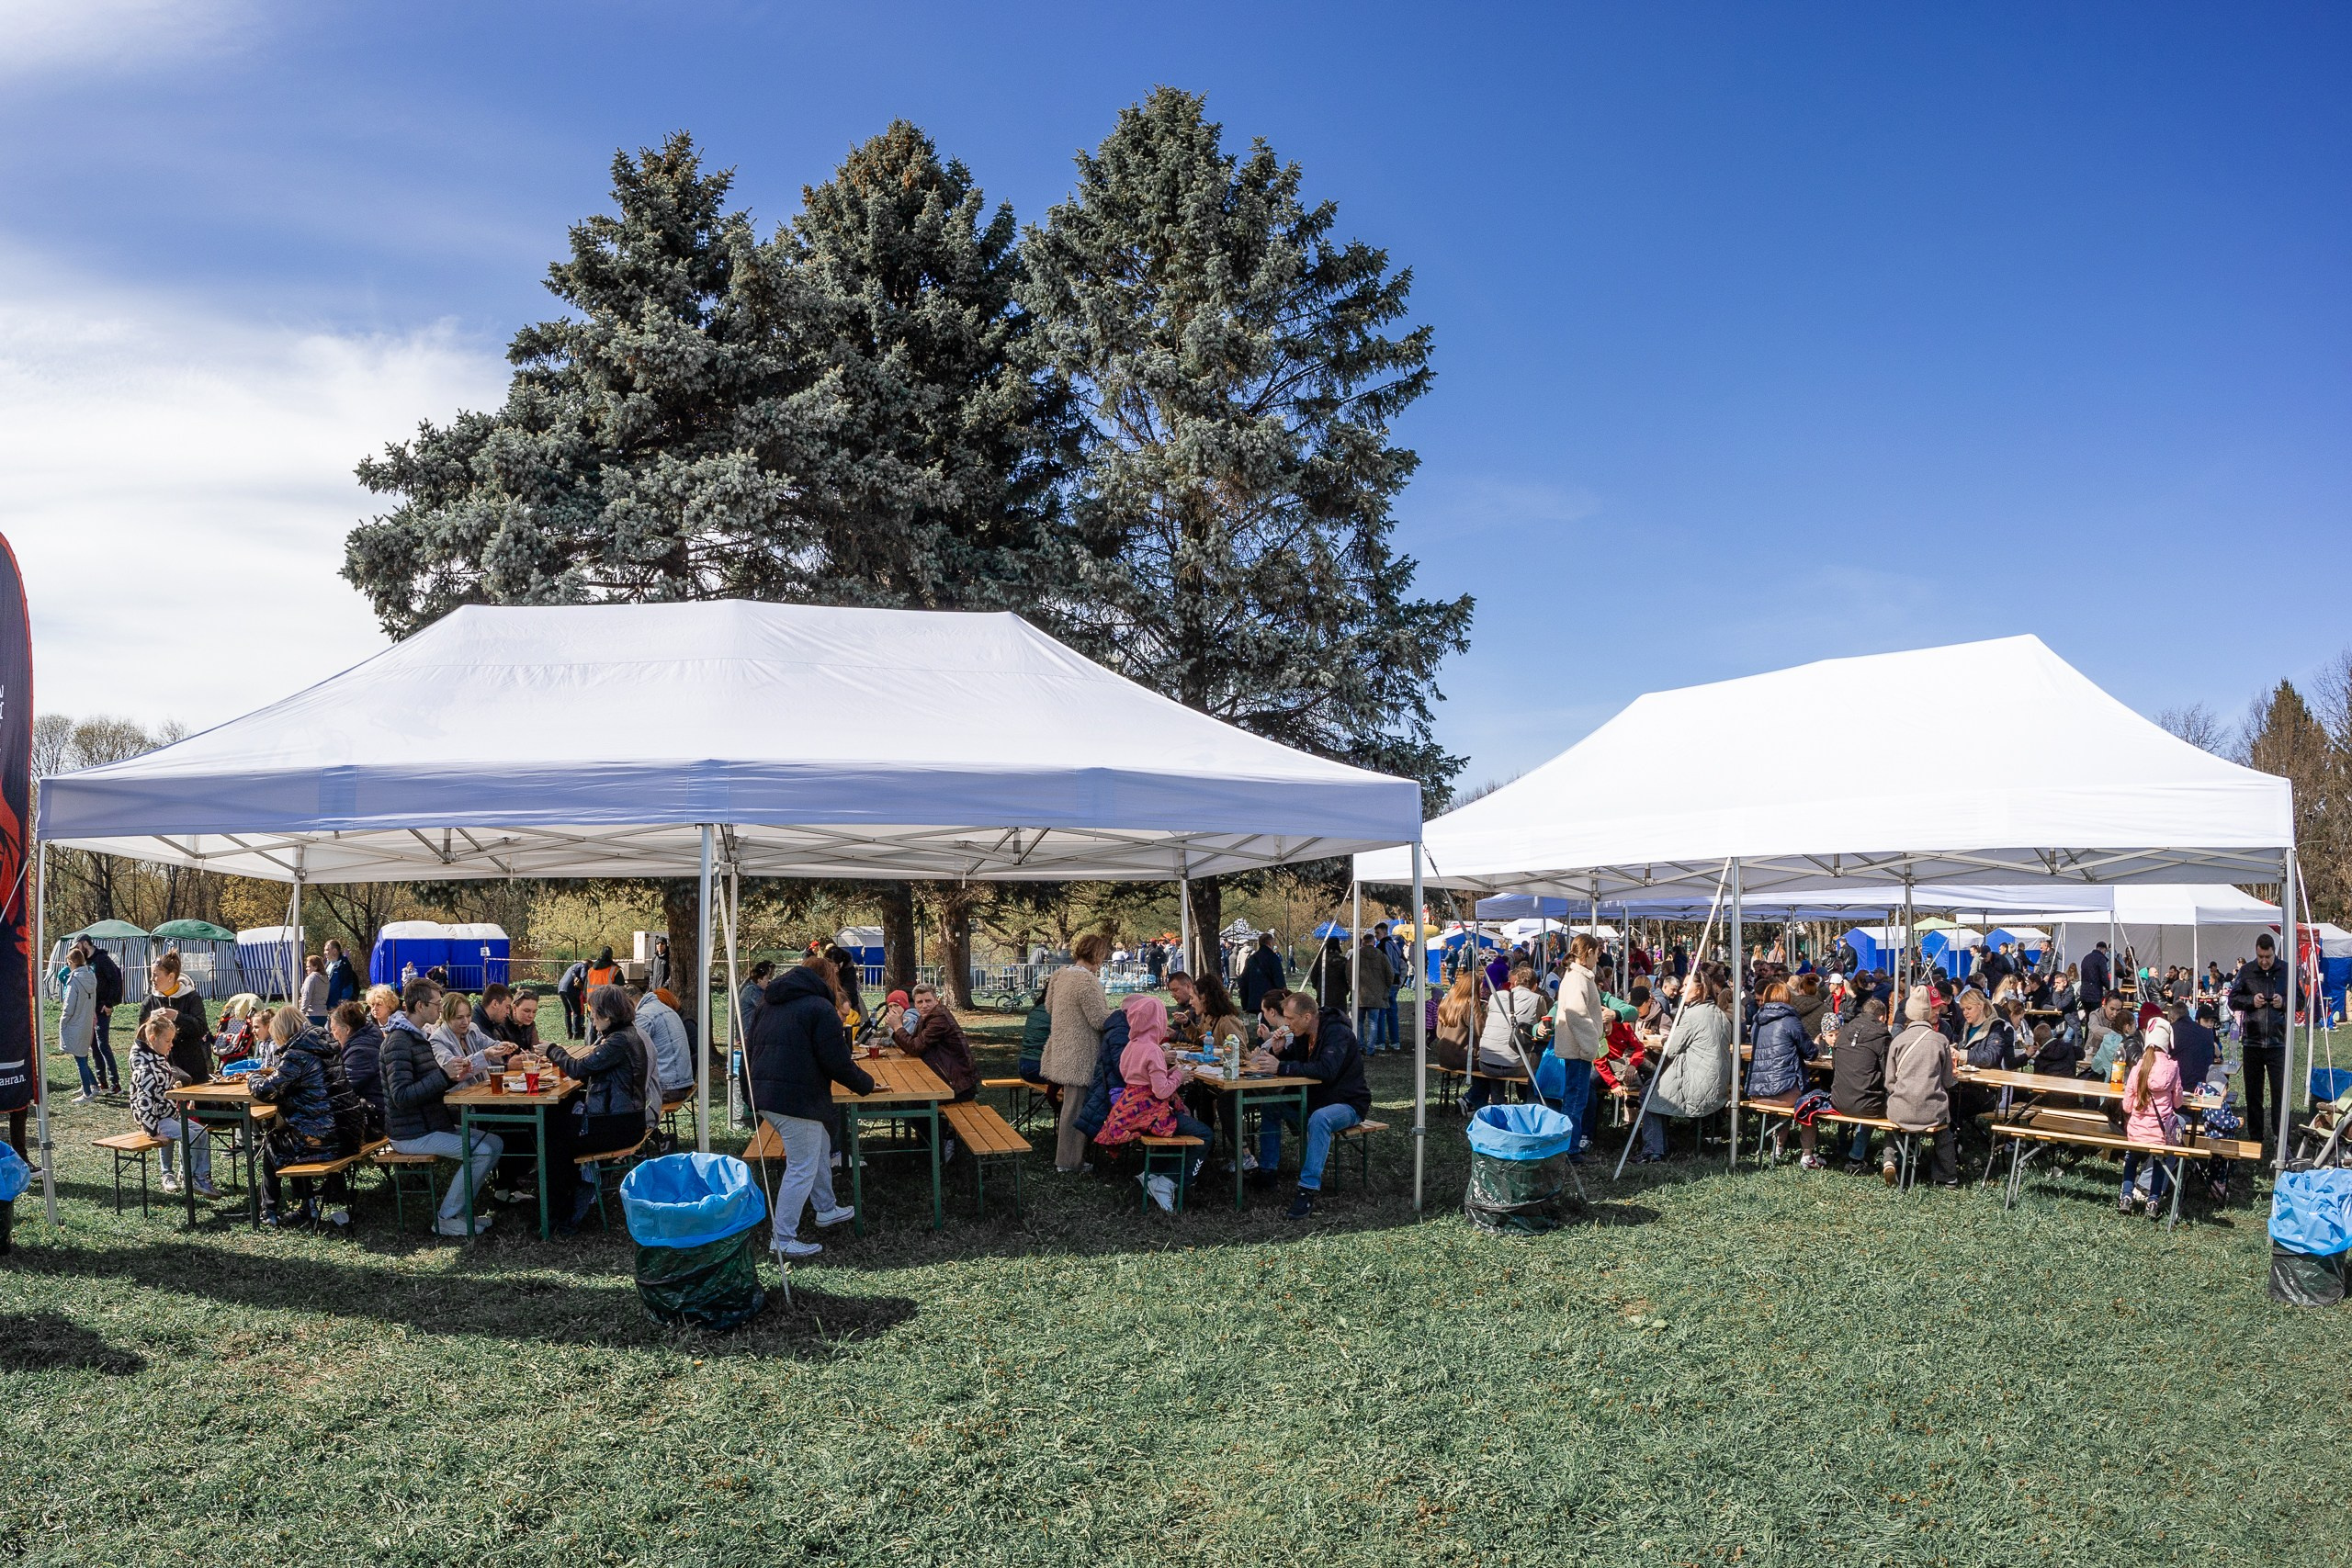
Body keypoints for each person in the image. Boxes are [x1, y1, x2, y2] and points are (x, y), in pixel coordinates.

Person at [745, 954, 874, 1258]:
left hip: (766, 1094)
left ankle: (826, 1208)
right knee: (801, 1167)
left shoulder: (768, 1003)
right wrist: (866, 1084)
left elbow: (749, 1047)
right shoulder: (820, 1008)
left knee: (819, 1146)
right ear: (829, 980)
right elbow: (837, 1062)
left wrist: (748, 1093)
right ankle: (783, 1238)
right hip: (795, 1099)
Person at [377, 977, 503, 1237]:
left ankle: (460, 1212)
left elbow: (429, 1084)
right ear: (420, 1006)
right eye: (436, 1004)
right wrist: (444, 1076)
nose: (439, 1009)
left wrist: (449, 1076)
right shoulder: (398, 1041)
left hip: (430, 1124)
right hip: (410, 1134)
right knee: (481, 1151)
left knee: (495, 1143)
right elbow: (401, 1096)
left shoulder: (418, 1036)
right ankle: (446, 1217)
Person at [544, 986, 653, 1231]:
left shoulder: (619, 1041)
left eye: (594, 1014)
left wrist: (552, 1050)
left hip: (619, 1125)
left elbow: (579, 1069)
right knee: (555, 1119)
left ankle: (561, 1213)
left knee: (552, 1140)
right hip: (626, 1119)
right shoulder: (625, 1035)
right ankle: (568, 1197)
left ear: (608, 1015)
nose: (591, 1020)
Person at [1093, 994, 1216, 1210]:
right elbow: (1161, 1091)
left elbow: (1137, 1077)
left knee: (1184, 1128)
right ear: (1157, 1022)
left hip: (1130, 1108)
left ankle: (1154, 1175)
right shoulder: (1153, 1050)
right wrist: (1179, 1075)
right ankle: (1171, 1181)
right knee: (1204, 1134)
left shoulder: (1131, 1046)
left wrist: (1167, 1072)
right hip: (1151, 1113)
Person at [248, 1008, 356, 1229]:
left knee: (274, 1142)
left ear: (281, 1031)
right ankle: (308, 1206)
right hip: (347, 1131)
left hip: (325, 1136)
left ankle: (268, 1211)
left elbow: (266, 1091)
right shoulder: (324, 1045)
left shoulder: (297, 1053)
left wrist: (254, 1077)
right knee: (290, 1136)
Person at [1634, 975, 1731, 1161]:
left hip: (1698, 1081)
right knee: (1656, 1087)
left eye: (1686, 985)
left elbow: (1670, 1049)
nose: (1680, 990)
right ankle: (1664, 1139)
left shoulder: (1694, 1015)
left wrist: (1662, 1039)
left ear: (1700, 989)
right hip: (1718, 1081)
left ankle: (1654, 1150)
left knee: (1649, 1092)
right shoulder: (1718, 1012)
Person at [1041, 932, 1114, 1174]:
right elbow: (1099, 1019)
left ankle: (1069, 1157)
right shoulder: (1088, 982)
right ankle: (1068, 1161)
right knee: (1075, 1106)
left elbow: (1049, 1007)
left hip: (1062, 1045)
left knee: (1070, 1105)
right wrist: (1119, 1016)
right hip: (1081, 1050)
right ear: (1098, 956)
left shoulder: (1059, 976)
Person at [129, 1010, 220, 1198]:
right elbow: (143, 1103)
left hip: (169, 1114)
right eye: (168, 1041)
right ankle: (190, 1177)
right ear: (153, 1039)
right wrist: (153, 1131)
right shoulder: (146, 1067)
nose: (171, 1046)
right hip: (158, 1120)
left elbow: (163, 1088)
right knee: (191, 1136)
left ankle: (200, 1175)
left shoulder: (157, 1058)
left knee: (201, 1132)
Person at [1746, 980, 1825, 1168]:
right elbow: (1810, 1053)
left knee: (1789, 1098)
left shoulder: (1757, 1021)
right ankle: (1807, 1155)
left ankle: (1778, 1147)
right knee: (1810, 1102)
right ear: (1786, 998)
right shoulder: (1790, 1021)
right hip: (1784, 1092)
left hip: (1757, 1092)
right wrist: (1815, 1043)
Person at [1886, 987, 1959, 1187]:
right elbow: (1947, 1081)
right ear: (1929, 1012)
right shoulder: (1940, 1041)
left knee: (1892, 1119)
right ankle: (1947, 1175)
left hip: (1901, 1108)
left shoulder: (1897, 1041)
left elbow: (1890, 1081)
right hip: (1931, 1111)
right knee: (1944, 1130)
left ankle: (1889, 1158)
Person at [1547, 933, 1608, 1153]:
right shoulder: (1577, 978)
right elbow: (1576, 1015)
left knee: (1575, 1098)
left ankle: (1568, 1147)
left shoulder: (1578, 977)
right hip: (1579, 1048)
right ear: (1589, 952)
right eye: (1597, 953)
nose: (1599, 958)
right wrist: (1589, 1044)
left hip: (1579, 1046)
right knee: (1575, 1100)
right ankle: (1570, 1149)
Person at [2231, 933, 2289, 1160]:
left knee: (2279, 1093)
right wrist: (2249, 1001)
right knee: (2253, 1093)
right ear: (2256, 953)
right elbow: (2232, 999)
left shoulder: (2285, 971)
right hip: (2252, 1042)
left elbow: (2301, 999)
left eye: (2268, 956)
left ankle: (2280, 1136)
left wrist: (2283, 1002)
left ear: (2275, 952)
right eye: (2260, 956)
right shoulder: (2246, 972)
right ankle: (2255, 1137)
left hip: (2277, 1042)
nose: (2264, 960)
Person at [2119, 1017, 2183, 1218]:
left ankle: (2126, 1196)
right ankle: (2153, 1200)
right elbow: (2178, 1102)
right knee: (2158, 1162)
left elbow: (2127, 1105)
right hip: (2160, 1133)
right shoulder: (2173, 1067)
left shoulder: (2139, 1067)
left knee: (2131, 1158)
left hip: (2137, 1131)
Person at [1830, 997, 1895, 1179]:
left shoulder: (1843, 1032)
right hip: (1865, 1104)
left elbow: (1835, 1065)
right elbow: (1888, 1072)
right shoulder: (1882, 1037)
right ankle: (1857, 1157)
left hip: (1838, 1099)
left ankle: (1843, 1147)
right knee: (1879, 1101)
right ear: (1882, 1018)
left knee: (1856, 1092)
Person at [1470, 963, 1546, 1113]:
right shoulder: (1538, 999)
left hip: (1486, 1062)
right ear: (1535, 985)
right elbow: (1542, 1025)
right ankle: (1530, 1104)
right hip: (1515, 1066)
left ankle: (1498, 1103)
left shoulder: (1495, 997)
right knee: (1537, 1060)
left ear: (1515, 982)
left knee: (1499, 1055)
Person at [137, 951, 213, 1080]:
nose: (151, 979)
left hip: (192, 1064)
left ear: (171, 977)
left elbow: (201, 1029)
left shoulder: (192, 997)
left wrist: (178, 1017)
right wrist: (151, 1022)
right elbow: (141, 1036)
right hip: (160, 1067)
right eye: (151, 975)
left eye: (155, 975)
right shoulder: (149, 1002)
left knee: (199, 1098)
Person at [907, 982, 979, 1103]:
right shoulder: (925, 1017)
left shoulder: (939, 1019)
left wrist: (897, 1027)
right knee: (912, 1097)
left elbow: (915, 1048)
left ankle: (937, 1122)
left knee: (916, 1102)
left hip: (959, 1088)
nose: (924, 1005)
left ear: (936, 1001)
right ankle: (933, 1122)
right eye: (920, 1002)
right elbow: (913, 1044)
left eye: (928, 1001)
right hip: (946, 1082)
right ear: (915, 1004)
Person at [330, 999, 386, 1136]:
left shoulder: (360, 1052)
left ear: (347, 1029)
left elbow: (343, 1089)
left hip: (375, 1117)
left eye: (333, 1029)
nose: (332, 1035)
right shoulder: (366, 1040)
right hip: (378, 1111)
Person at [632, 984, 695, 1101]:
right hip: (683, 1081)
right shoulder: (664, 1009)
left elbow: (631, 1048)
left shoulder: (643, 1015)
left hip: (668, 1087)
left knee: (619, 1094)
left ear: (630, 1003)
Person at [430, 993, 512, 1078]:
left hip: (480, 1088)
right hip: (460, 1091)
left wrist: (502, 1047)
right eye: (459, 1017)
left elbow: (490, 1044)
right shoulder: (436, 1040)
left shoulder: (472, 1028)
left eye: (468, 1016)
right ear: (446, 1017)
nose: (466, 1022)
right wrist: (485, 1055)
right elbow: (455, 1073)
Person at [59, 945, 101, 1101]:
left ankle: (87, 1093)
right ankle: (93, 1085)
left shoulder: (74, 980)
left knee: (80, 1058)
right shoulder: (91, 976)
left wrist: (63, 1020)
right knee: (82, 1055)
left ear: (71, 962)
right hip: (88, 1020)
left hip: (76, 1022)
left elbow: (69, 1005)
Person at [87, 939, 125, 1093]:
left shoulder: (102, 959)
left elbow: (116, 980)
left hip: (103, 1008)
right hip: (91, 1008)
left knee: (103, 1044)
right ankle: (102, 1082)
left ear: (84, 943)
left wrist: (109, 1003)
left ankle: (115, 1083)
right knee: (94, 1046)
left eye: (77, 945)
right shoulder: (87, 961)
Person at [1355, 931, 1396, 1052]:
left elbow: (1349, 971)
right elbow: (1390, 974)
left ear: (1363, 942)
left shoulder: (1357, 955)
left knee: (1359, 1022)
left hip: (1360, 993)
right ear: (1374, 942)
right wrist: (1386, 987)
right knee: (1374, 1022)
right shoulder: (1381, 956)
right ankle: (1370, 1048)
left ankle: (1360, 1046)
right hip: (1376, 994)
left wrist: (1353, 986)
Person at [1433, 972, 1476, 1070]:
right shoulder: (1468, 1004)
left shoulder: (1446, 1002)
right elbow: (1479, 1031)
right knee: (1493, 1065)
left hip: (1443, 1057)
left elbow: (1439, 1034)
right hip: (1462, 1057)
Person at [1239, 933, 1286, 1015]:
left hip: (1254, 998)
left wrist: (1244, 1001)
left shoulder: (1252, 958)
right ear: (1270, 943)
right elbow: (1279, 978)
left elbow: (1243, 980)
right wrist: (1283, 993)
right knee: (1268, 1022)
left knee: (1260, 1021)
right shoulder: (1273, 958)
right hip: (1269, 997)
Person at [322, 939, 361, 1009]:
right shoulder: (327, 964)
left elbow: (348, 985)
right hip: (327, 1004)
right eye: (325, 950)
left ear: (335, 951)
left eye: (327, 950)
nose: (325, 952)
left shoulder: (344, 965)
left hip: (338, 1006)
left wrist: (343, 1003)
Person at [556, 958, 589, 1040]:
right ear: (589, 964)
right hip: (571, 990)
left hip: (561, 988)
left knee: (568, 1011)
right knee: (577, 1011)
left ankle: (569, 1033)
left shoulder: (572, 967)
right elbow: (583, 977)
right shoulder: (584, 966)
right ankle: (576, 1034)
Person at [2079, 941, 2112, 1013]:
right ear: (2104, 949)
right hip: (2095, 994)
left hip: (2084, 992)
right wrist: (2110, 988)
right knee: (2095, 1016)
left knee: (2088, 1016)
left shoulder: (2086, 957)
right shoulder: (2101, 959)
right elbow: (2104, 976)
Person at [299, 954, 330, 1023]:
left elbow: (307, 997)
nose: (307, 969)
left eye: (309, 966)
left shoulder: (311, 978)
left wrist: (301, 1013)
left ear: (316, 967)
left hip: (311, 1014)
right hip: (323, 1014)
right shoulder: (326, 979)